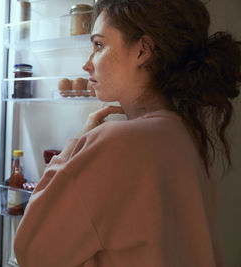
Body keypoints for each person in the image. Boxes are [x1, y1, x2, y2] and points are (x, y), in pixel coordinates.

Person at [14, 0, 240, 266]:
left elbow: (32, 252)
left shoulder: (117, 143)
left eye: (99, 45)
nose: (87, 63)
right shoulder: (188, 137)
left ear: (142, 51)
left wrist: (76, 147)